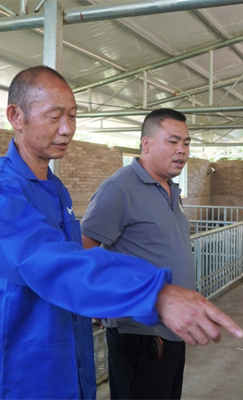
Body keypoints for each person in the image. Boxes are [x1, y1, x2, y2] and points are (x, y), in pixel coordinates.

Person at [0, 66, 243, 400]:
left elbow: (76, 263)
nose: (67, 129)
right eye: (54, 116)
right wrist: (152, 292)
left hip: (69, 359)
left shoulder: (54, 189)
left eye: (72, 116)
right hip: (21, 371)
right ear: (16, 116)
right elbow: (49, 260)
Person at [81, 108, 196, 399]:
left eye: (186, 143)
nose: (182, 150)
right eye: (172, 141)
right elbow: (83, 249)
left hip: (173, 328)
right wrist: (100, 303)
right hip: (140, 332)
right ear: (146, 144)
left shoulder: (170, 189)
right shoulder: (119, 188)